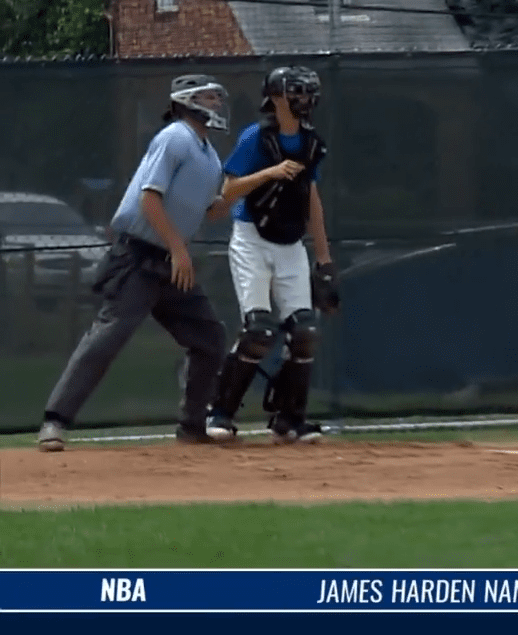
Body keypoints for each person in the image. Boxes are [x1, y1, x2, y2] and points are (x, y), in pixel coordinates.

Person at [36, 74, 233, 452]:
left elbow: (213, 211)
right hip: (139, 257)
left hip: (171, 262)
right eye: (210, 97)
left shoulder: (209, 154)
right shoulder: (175, 137)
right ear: (187, 101)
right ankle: (54, 421)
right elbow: (149, 199)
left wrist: (255, 182)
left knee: (209, 338)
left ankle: (192, 426)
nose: (218, 104)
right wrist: (178, 249)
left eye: (217, 98)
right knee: (108, 336)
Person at [205, 66, 338, 444]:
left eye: (308, 93)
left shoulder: (311, 143)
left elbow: (312, 202)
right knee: (259, 330)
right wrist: (271, 173)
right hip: (252, 238)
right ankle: (221, 412)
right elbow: (229, 190)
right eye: (296, 93)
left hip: (290, 243)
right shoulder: (257, 138)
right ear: (276, 98)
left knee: (305, 330)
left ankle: (289, 420)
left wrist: (324, 261)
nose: (304, 101)